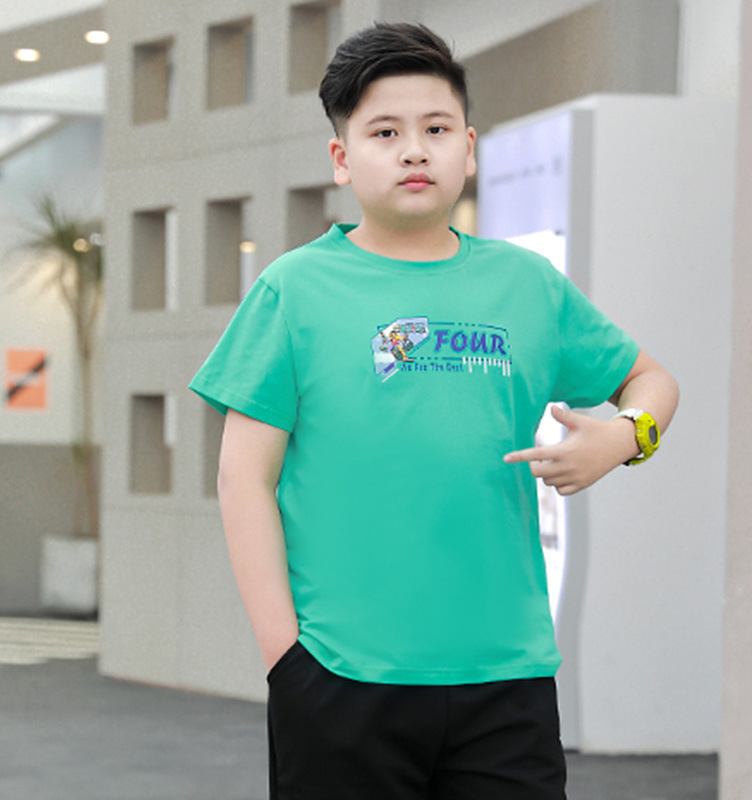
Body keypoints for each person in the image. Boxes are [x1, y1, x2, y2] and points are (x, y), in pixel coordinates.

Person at [189, 21, 679, 800]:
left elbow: (651, 381)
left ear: (469, 149)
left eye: (437, 129)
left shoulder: (527, 285)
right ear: (342, 159)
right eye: (385, 132)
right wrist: (286, 660)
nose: (415, 150)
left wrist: (625, 437)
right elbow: (242, 480)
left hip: (507, 678)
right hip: (342, 677)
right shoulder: (293, 290)